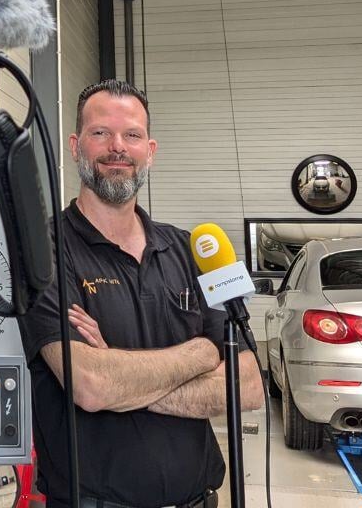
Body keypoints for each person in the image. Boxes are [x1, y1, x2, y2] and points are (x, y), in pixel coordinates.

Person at [17, 79, 264, 508]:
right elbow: (91, 386)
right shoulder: (43, 251)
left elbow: (248, 385)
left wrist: (122, 380)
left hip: (200, 500)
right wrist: (201, 355)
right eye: (100, 133)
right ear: (76, 146)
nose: (118, 147)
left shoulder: (191, 249)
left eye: (131, 135)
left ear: (149, 150)